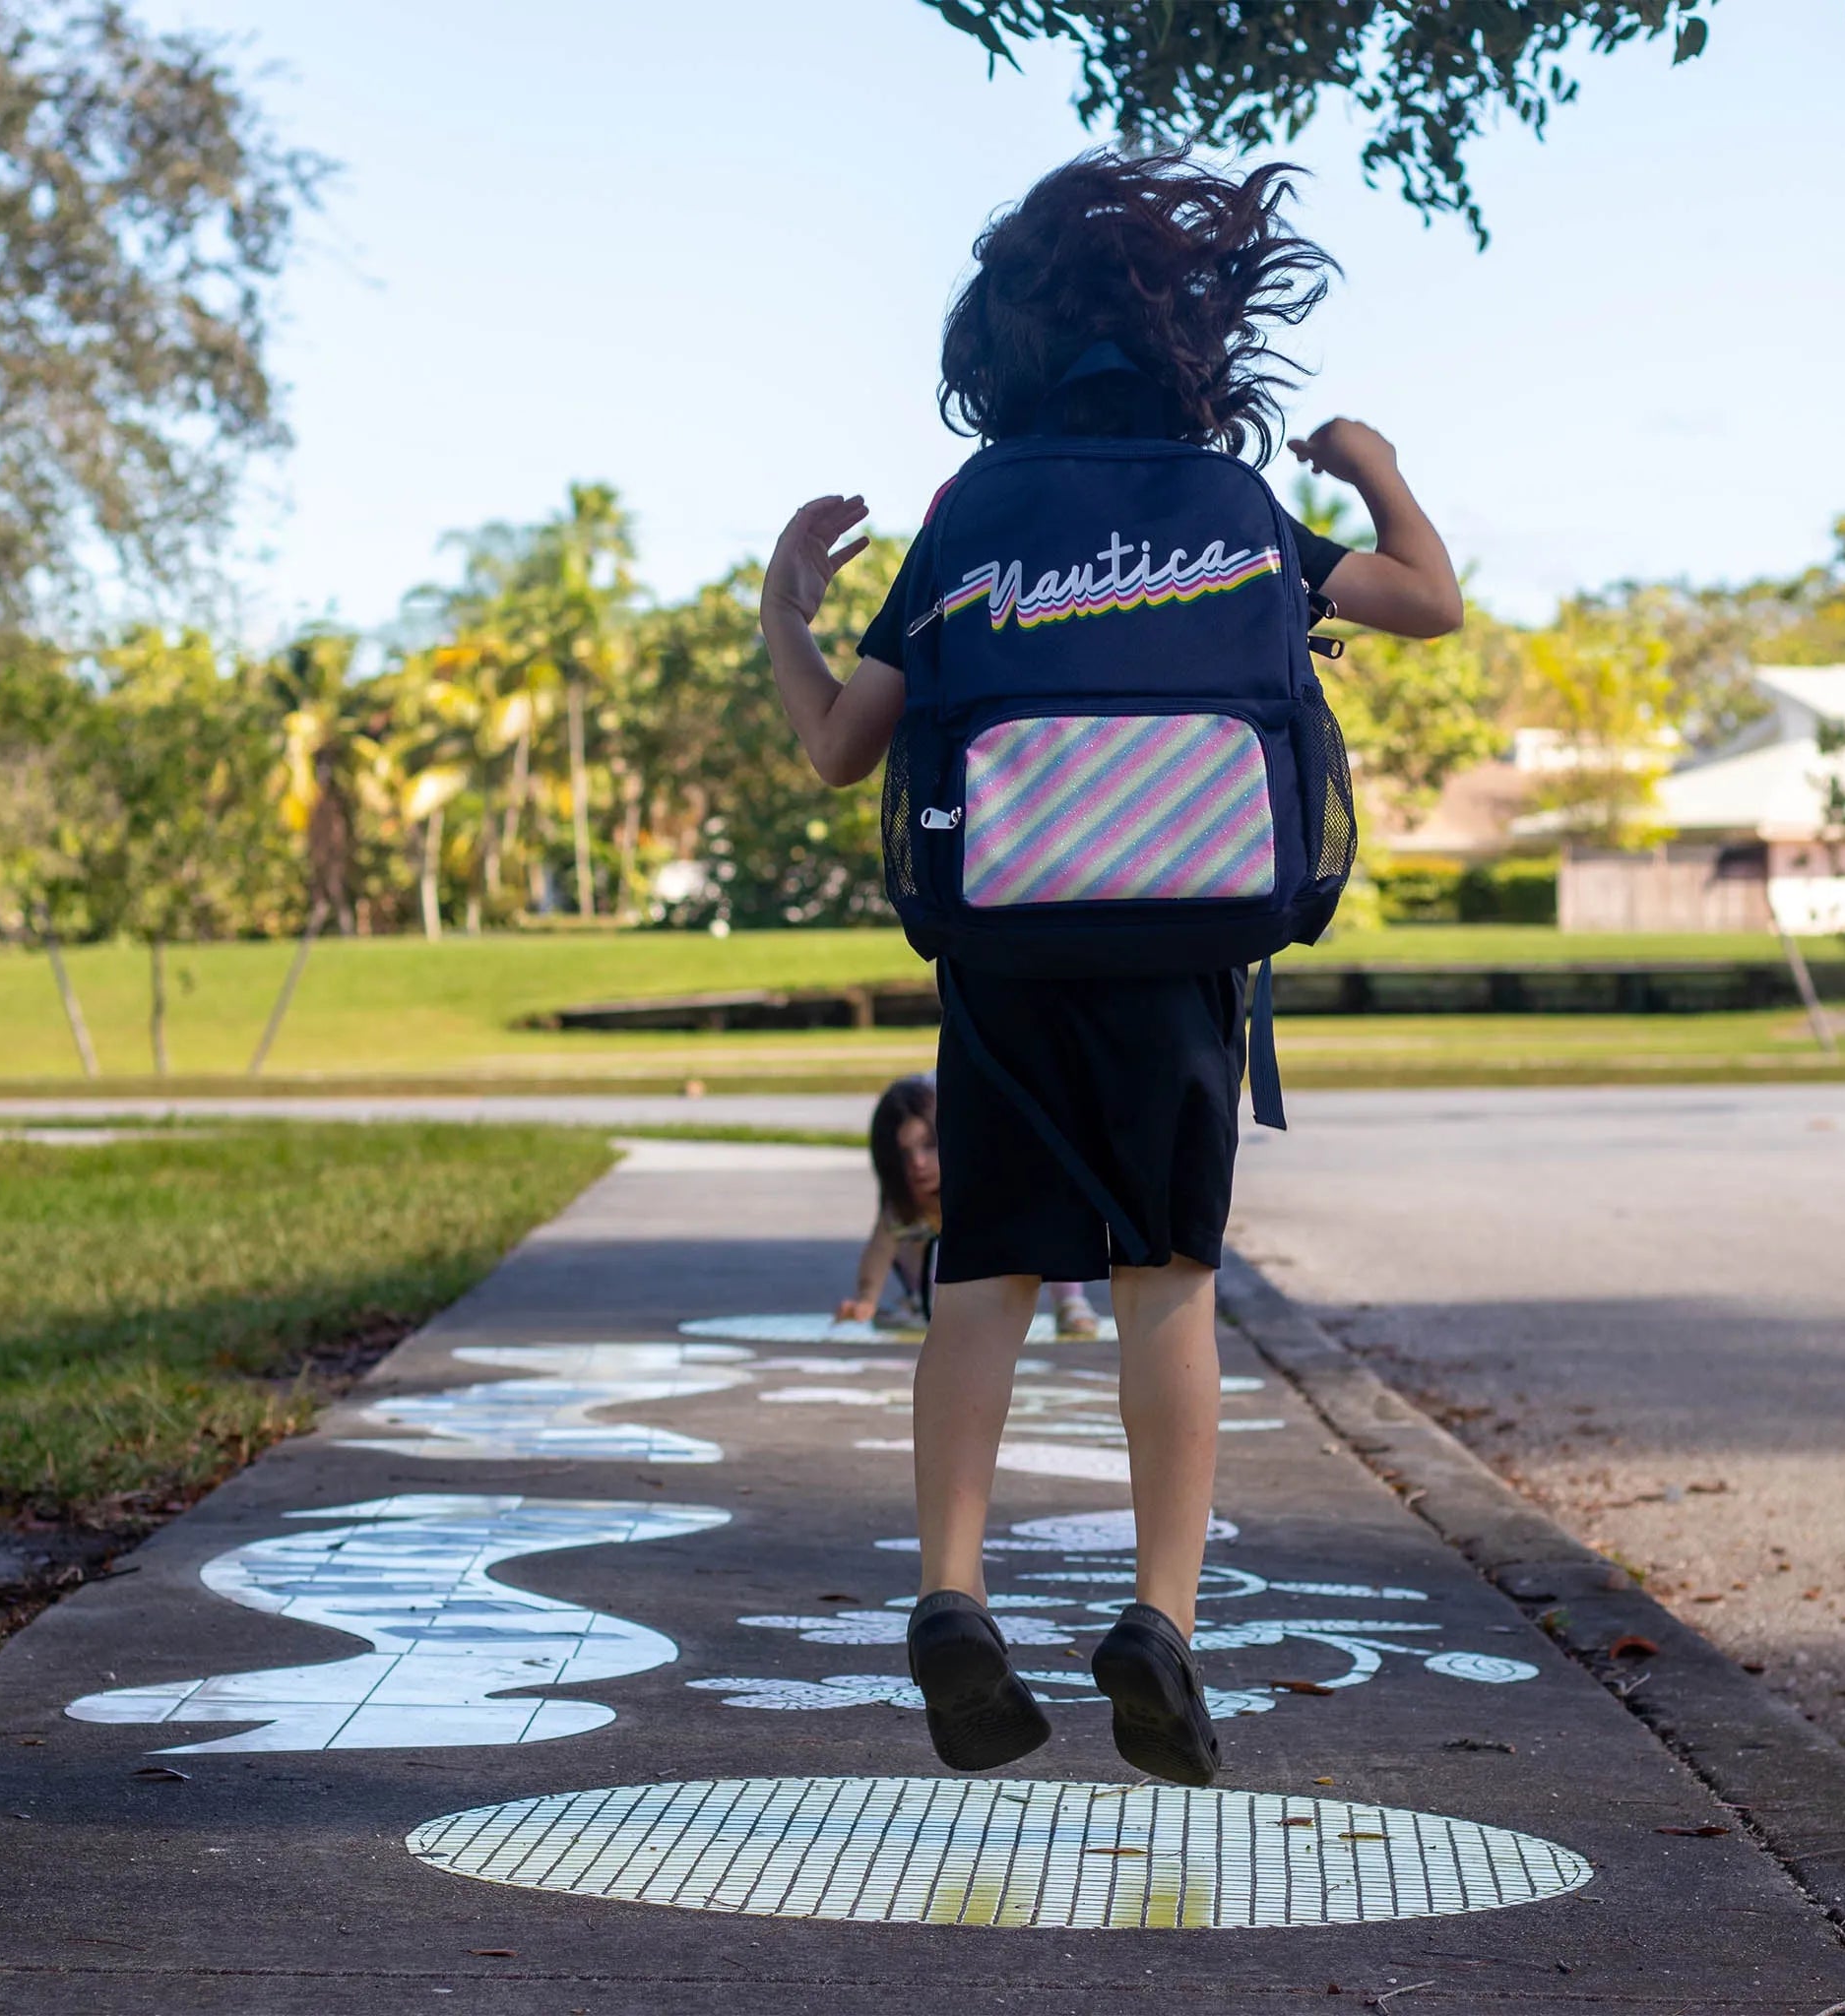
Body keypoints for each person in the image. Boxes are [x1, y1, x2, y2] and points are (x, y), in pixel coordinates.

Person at [759, 150, 1461, 1785]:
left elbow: (835, 748)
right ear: (1192, 348)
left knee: (986, 1275)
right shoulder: (1236, 515)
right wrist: (1369, 462)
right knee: (1163, 1283)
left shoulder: (967, 518)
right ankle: (1157, 1617)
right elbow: (1425, 598)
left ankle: (948, 1589)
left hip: (1001, 953)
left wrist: (785, 606)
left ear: (993, 354)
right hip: (1184, 950)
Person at [839, 1075, 1101, 1338]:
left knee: (1045, 1222)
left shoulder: (975, 1183)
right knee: (912, 1237)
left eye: (929, 1146)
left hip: (994, 1263)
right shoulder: (901, 1204)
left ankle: (1070, 1303)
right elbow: (879, 1252)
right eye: (904, 1154)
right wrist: (866, 1300)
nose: (917, 1162)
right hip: (946, 1281)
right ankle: (926, 1303)